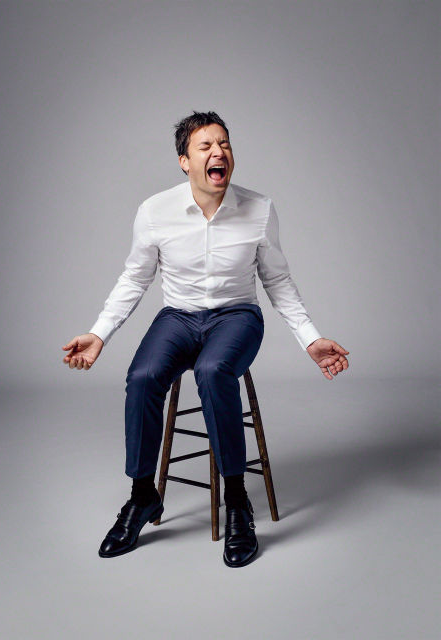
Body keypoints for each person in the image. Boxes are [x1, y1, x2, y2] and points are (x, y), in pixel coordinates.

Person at [61, 111, 350, 568]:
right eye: (206, 146)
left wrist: (310, 338)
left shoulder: (260, 209)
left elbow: (277, 280)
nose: (220, 152)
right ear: (185, 161)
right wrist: (99, 334)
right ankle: (142, 495)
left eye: (225, 144)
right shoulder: (154, 211)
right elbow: (135, 278)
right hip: (178, 318)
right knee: (142, 377)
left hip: (237, 316)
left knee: (214, 372)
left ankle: (237, 501)